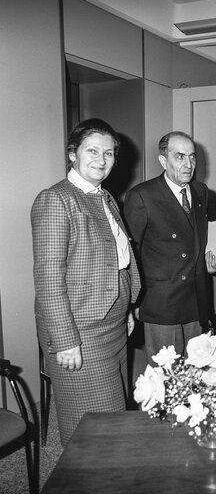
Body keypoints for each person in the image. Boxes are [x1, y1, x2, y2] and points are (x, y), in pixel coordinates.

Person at [31, 118, 141, 446]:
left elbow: (115, 259)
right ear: (72, 154)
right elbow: (48, 279)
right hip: (81, 332)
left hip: (113, 325)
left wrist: (127, 309)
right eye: (92, 150)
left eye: (109, 153)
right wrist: (65, 340)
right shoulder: (56, 199)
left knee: (115, 414)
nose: (101, 159)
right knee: (95, 429)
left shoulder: (104, 197)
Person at [123, 131, 216, 362]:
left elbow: (203, 236)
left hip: (196, 297)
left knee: (198, 370)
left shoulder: (201, 192)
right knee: (166, 377)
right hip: (162, 301)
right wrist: (134, 302)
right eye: (180, 157)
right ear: (163, 160)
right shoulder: (142, 196)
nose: (188, 164)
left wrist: (213, 257)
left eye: (192, 157)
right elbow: (129, 255)